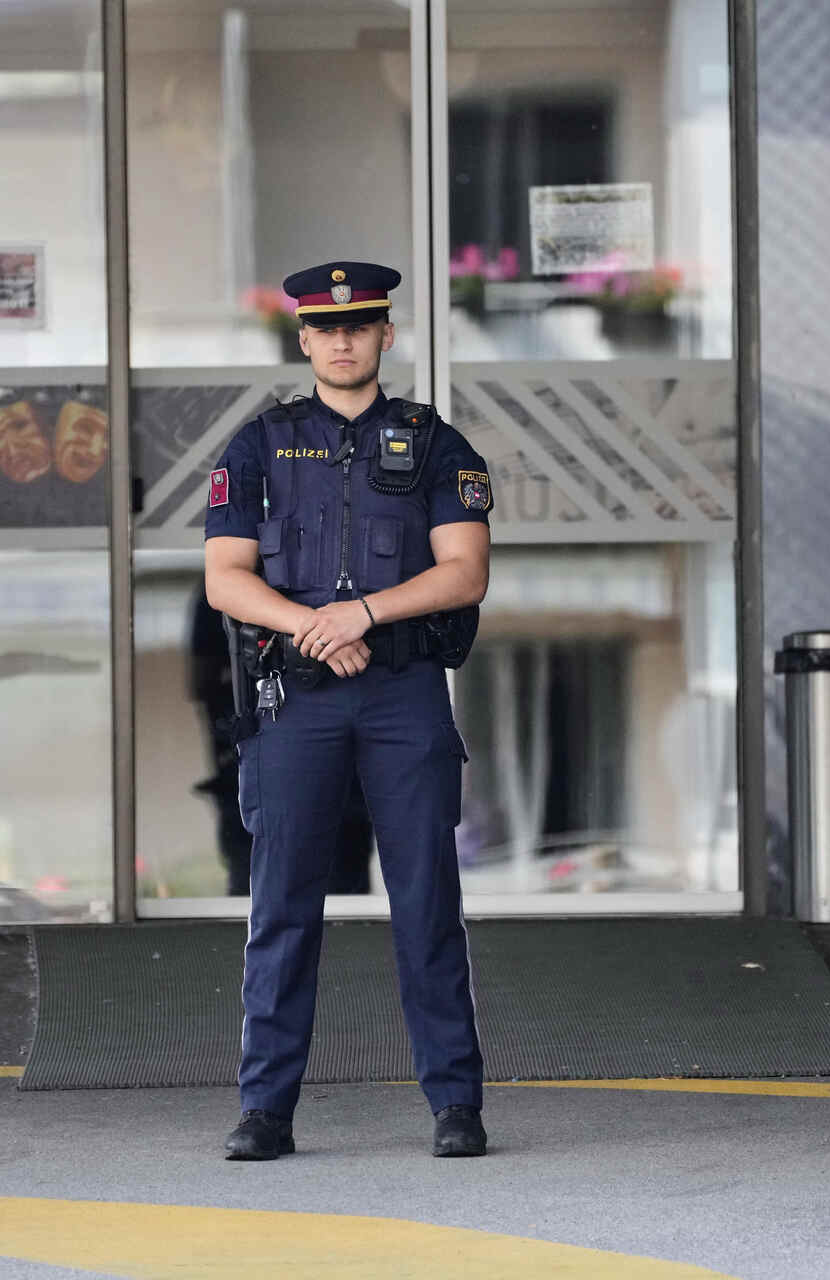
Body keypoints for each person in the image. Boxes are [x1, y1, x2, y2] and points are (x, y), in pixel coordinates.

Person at [202, 261, 495, 1160]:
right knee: (282, 907)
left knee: (425, 902)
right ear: (304, 340)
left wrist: (362, 613)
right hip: (298, 700)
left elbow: (464, 571)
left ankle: (455, 1104)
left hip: (404, 693)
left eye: (360, 325)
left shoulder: (437, 444)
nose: (342, 338)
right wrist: (314, 627)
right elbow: (225, 579)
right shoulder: (257, 445)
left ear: (385, 336)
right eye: (327, 328)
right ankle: (265, 1111)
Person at [185, 585, 374, 896]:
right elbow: (203, 680)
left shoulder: (335, 578)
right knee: (260, 875)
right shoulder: (226, 588)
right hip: (254, 749)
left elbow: (202, 680)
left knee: (337, 878)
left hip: (331, 755)